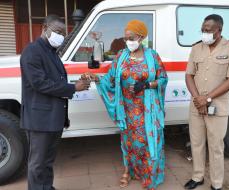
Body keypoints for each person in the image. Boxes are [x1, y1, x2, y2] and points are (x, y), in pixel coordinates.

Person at [83, 20, 168, 190]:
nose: (128, 41)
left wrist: (146, 85)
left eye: (131, 37)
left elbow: (163, 79)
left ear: (141, 37)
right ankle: (131, 171)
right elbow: (111, 79)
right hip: (127, 109)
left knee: (148, 140)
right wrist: (96, 78)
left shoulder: (152, 56)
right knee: (130, 142)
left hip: (148, 109)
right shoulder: (121, 55)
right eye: (126, 38)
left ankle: (148, 174)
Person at [20, 15, 90, 190]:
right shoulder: (32, 51)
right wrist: (73, 88)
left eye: (63, 33)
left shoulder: (51, 52)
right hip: (40, 119)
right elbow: (40, 83)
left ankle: (46, 187)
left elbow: (55, 81)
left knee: (48, 160)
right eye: (57, 31)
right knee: (37, 163)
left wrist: (76, 84)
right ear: (44, 28)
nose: (61, 36)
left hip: (52, 118)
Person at [184, 14, 229, 190]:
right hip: (197, 106)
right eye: (202, 29)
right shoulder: (196, 48)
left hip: (217, 106)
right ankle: (198, 176)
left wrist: (207, 99)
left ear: (219, 30)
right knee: (197, 142)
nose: (204, 33)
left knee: (216, 146)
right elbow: (189, 75)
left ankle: (216, 183)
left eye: (208, 30)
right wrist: (197, 99)